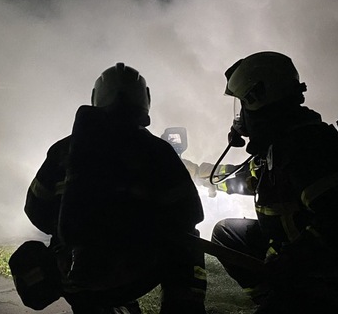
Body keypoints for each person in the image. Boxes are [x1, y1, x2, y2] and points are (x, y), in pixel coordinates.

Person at [21, 63, 207, 314]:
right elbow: (190, 215)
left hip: (76, 277)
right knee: (189, 243)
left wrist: (71, 234)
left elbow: (35, 209)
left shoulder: (63, 151)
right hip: (136, 275)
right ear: (145, 101)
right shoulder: (158, 153)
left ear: (96, 98)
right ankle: (182, 308)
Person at [210, 51, 338, 313]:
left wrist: (287, 261)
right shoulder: (280, 144)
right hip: (301, 262)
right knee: (226, 234)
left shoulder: (308, 148)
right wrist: (209, 179)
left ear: (256, 99)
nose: (240, 118)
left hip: (335, 276)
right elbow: (251, 181)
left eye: (242, 105)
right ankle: (273, 297)